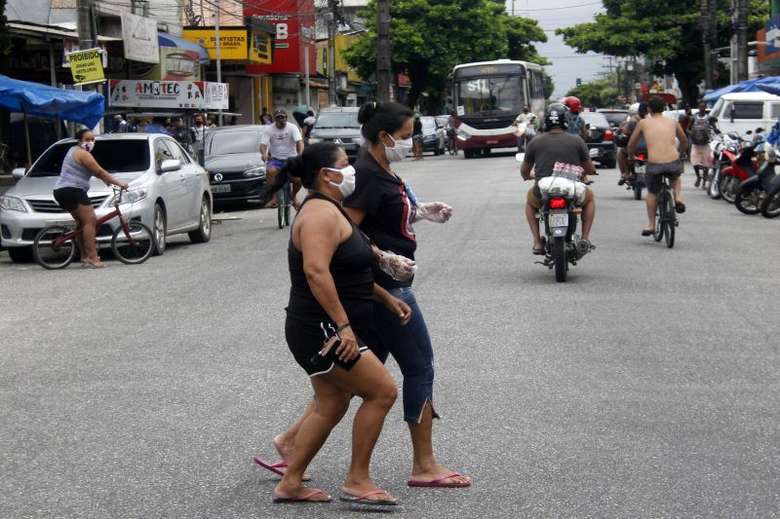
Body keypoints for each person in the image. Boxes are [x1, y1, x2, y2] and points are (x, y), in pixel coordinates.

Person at [270, 141, 410, 505]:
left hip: (322, 327)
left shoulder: (333, 209)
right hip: (321, 329)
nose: (353, 171)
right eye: (346, 165)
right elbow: (316, 271)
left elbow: (349, 270)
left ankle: (290, 482)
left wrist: (385, 297)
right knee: (382, 392)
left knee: (330, 402)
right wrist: (343, 327)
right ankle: (357, 479)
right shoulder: (318, 215)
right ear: (326, 175)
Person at [345, 101, 469, 489]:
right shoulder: (366, 173)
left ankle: (292, 444)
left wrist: (420, 212)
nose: (410, 141)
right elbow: (345, 232)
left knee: (354, 378)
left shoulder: (383, 169)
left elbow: (384, 216)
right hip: (386, 289)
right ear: (384, 137)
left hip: (385, 287)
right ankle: (424, 464)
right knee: (420, 367)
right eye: (405, 135)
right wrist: (382, 258)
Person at [521, 103, 596, 255]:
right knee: (590, 199)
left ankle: (536, 242)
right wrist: (589, 172)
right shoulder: (577, 141)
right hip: (572, 190)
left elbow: (524, 171)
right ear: (566, 120)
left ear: (546, 121)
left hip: (543, 192)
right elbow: (589, 169)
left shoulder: (535, 141)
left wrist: (529, 176)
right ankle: (585, 239)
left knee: (530, 202)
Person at [52, 129, 129, 268]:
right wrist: (119, 183)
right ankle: (93, 258)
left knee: (82, 224)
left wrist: (106, 180)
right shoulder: (83, 153)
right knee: (91, 221)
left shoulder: (73, 150)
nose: (91, 142)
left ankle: (84, 257)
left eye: (93, 140)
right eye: (87, 139)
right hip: (72, 190)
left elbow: (91, 172)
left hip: (62, 190)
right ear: (79, 140)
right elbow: (99, 171)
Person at [628, 96, 689, 236]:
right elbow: (684, 141)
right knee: (676, 177)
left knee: (652, 192)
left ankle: (651, 225)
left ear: (649, 109)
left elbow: (631, 144)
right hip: (673, 161)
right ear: (664, 108)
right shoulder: (673, 122)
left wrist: (631, 157)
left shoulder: (643, 123)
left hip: (654, 163)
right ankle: (678, 197)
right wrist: (680, 154)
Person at [260, 109, 304, 208]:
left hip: (291, 159)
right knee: (270, 171)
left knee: (299, 179)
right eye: (278, 117)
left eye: (282, 117)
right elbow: (263, 144)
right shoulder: (269, 129)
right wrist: (264, 154)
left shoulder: (292, 128)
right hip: (276, 160)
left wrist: (300, 154)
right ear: (274, 119)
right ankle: (274, 198)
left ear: (286, 118)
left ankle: (293, 197)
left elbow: (299, 142)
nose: (281, 120)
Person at [617, 102, 648, 185]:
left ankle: (625, 173)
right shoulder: (652, 120)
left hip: (635, 149)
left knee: (622, 152)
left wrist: (621, 131)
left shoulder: (633, 121)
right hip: (650, 148)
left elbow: (625, 132)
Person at [688, 102, 718, 187]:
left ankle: (704, 179)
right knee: (694, 162)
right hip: (695, 143)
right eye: (700, 107)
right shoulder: (693, 117)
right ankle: (698, 177)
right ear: (698, 107)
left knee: (706, 163)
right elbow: (687, 128)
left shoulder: (709, 118)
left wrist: (716, 130)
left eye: (703, 107)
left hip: (705, 143)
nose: (702, 108)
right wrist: (691, 133)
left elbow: (714, 127)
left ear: (705, 108)